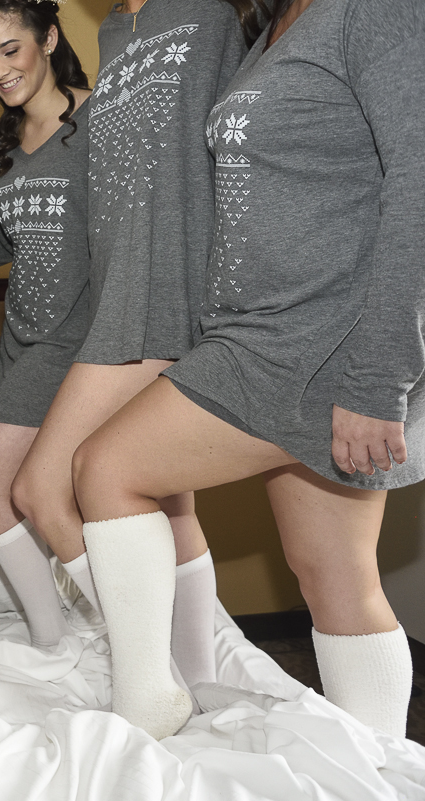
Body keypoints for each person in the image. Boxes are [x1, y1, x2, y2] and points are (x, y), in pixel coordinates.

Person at [73, 0, 423, 740]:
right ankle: (379, 771)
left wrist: (379, 377)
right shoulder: (270, 31)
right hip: (261, 331)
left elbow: (418, 190)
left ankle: (146, 707)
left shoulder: (375, 11)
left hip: (319, 340)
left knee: (106, 468)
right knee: (332, 571)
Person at [8, 0, 251, 693]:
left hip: (172, 289)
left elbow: (240, 155)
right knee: (171, 504)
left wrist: (224, 293)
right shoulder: (114, 31)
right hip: (118, 295)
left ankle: (155, 678)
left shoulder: (210, 16)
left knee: (40, 488)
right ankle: (193, 679)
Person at [0, 0, 92, 649]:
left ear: (50, 39)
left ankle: (115, 632)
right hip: (17, 338)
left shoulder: (99, 117)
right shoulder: (4, 145)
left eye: (11, 50)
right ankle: (59, 633)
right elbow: (7, 245)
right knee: (34, 495)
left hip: (76, 338)